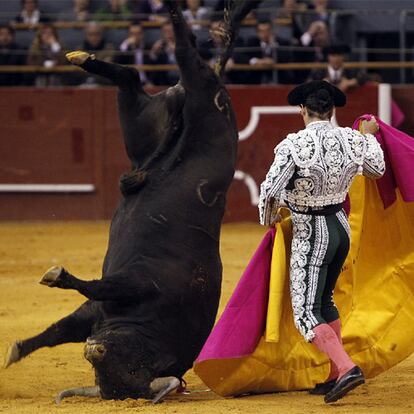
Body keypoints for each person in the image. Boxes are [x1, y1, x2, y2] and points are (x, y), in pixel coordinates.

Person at [258, 80, 385, 403]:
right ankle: (333, 373)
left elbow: (270, 192)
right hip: (341, 229)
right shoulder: (353, 139)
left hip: (311, 233)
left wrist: (269, 219)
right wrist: (368, 138)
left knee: (304, 311)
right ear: (332, 111)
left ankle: (346, 367)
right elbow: (377, 170)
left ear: (302, 109)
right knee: (325, 300)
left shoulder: (294, 144)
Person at [246, 19, 294, 84]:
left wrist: (273, 45)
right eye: (262, 31)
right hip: (256, 79)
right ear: (257, 32)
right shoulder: (252, 42)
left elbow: (286, 58)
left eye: (267, 30)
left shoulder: (282, 42)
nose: (265, 34)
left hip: (278, 78)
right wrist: (256, 61)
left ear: (271, 31)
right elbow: (241, 56)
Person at [148, 21, 178, 85]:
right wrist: (154, 52)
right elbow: (152, 61)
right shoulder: (160, 45)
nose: (168, 34)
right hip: (164, 79)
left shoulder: (182, 44)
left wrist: (176, 51)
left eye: (170, 31)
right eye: (165, 31)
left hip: (180, 77)